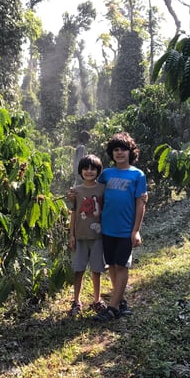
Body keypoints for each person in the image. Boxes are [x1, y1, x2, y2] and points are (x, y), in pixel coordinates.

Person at [93, 132, 147, 321]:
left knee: (122, 265)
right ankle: (120, 300)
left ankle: (113, 307)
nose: (119, 153)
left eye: (123, 149)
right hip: (107, 228)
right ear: (111, 153)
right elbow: (94, 192)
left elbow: (141, 203)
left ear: (130, 152)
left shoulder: (138, 175)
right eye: (115, 149)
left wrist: (136, 230)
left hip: (126, 230)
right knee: (112, 266)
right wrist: (75, 196)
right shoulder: (106, 174)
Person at [67, 154, 107, 317]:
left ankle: (97, 300)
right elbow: (74, 213)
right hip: (80, 237)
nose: (89, 171)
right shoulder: (76, 191)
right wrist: (71, 235)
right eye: (86, 168)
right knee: (78, 269)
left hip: (98, 237)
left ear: (98, 171)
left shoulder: (103, 189)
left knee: (97, 269)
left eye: (93, 169)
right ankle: (76, 301)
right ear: (81, 171)